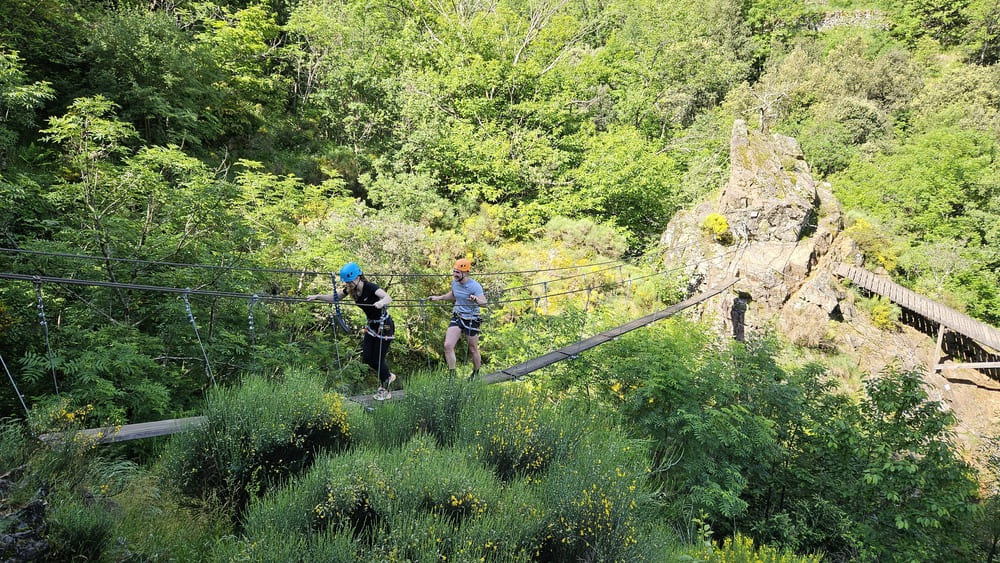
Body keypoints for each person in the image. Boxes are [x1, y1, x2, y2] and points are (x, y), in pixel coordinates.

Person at [308, 262, 396, 400]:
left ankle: (385, 388)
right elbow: (334, 298)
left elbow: (388, 297)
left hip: (385, 326)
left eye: (350, 282)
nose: (348, 285)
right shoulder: (351, 290)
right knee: (367, 358)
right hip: (372, 326)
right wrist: (318, 296)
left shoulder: (370, 287)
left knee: (378, 359)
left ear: (358, 277)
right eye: (347, 283)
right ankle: (388, 376)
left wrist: (381, 303)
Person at [429, 258, 486, 379]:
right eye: (454, 271)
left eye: (458, 272)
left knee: (472, 349)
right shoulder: (455, 282)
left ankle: (475, 373)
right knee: (448, 345)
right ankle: (452, 376)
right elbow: (453, 294)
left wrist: (476, 299)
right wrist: (438, 298)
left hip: (472, 319)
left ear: (465, 273)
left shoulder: (475, 286)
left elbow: (484, 303)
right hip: (458, 316)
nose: (455, 274)